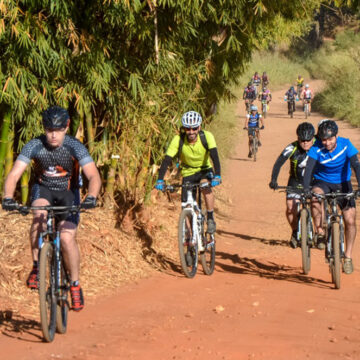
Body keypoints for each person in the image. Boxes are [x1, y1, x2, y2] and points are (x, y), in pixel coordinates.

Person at [2, 106, 102, 311]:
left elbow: (93, 175)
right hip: (43, 189)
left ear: (66, 127)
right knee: (38, 216)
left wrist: (91, 196)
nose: (53, 134)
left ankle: (74, 284)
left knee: (66, 238)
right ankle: (37, 267)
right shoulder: (35, 145)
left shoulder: (75, 146)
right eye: (49, 129)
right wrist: (7, 197)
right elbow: (14, 174)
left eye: (57, 129)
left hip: (68, 192)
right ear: (44, 128)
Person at [303, 120, 360, 274]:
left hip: (343, 183)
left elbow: (356, 165)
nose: (326, 143)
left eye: (330, 139)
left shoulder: (346, 145)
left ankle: (347, 257)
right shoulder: (316, 148)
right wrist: (307, 188)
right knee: (315, 197)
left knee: (350, 220)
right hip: (322, 182)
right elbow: (309, 169)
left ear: (336, 136)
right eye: (323, 139)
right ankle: (320, 231)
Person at [154, 111, 221, 234]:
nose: (191, 132)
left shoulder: (206, 137)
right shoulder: (178, 140)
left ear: (199, 127)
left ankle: (210, 218)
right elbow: (167, 160)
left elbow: (215, 157)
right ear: (184, 128)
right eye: (188, 129)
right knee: (186, 206)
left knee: (205, 186)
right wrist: (160, 179)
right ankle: (190, 238)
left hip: (204, 170)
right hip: (188, 173)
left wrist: (217, 176)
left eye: (194, 128)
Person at [269, 122, 315, 248]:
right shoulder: (292, 147)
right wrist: (274, 179)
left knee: (319, 204)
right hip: (295, 181)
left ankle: (321, 231)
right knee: (290, 208)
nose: (305, 143)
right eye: (302, 140)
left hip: (314, 182)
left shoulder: (319, 146)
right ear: (298, 138)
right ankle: (295, 231)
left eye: (308, 140)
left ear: (313, 138)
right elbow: (278, 163)